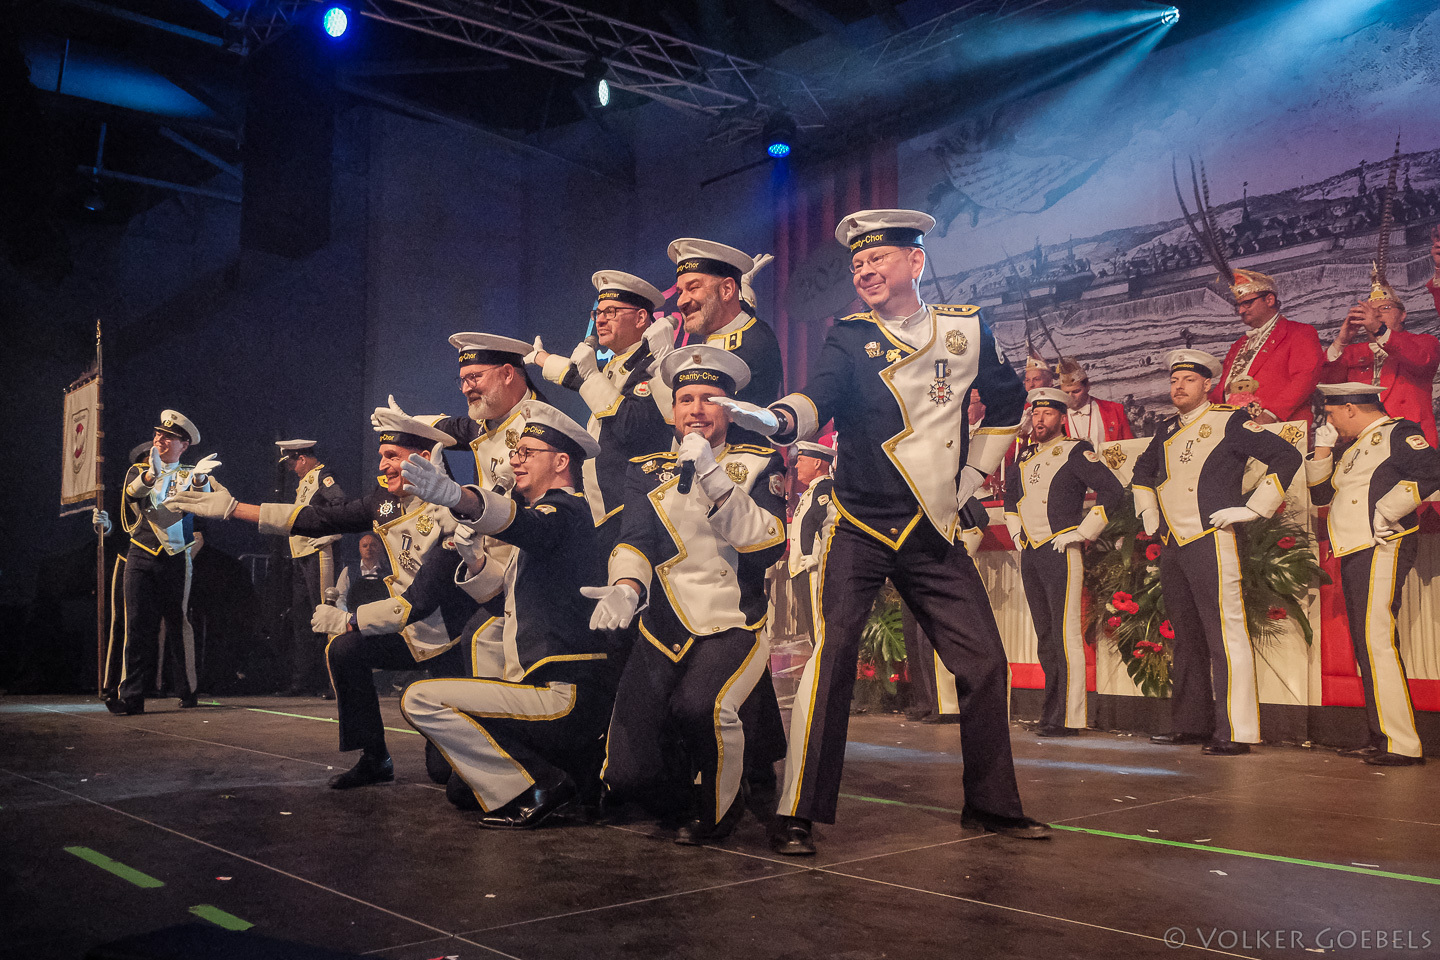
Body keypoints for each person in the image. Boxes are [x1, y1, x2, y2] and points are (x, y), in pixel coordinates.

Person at [717, 208, 1047, 854]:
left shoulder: (966, 328)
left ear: (915, 262)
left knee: (985, 663)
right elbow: (817, 398)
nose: (864, 270)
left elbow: (1008, 404)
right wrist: (777, 420)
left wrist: (973, 474)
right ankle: (797, 812)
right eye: (858, 263)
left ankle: (991, 805)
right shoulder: (849, 337)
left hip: (932, 527)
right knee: (832, 659)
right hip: (861, 526)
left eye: (878, 258)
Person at [169, 417, 478, 788]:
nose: (382, 466)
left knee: (444, 775)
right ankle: (374, 757)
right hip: (410, 633)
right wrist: (234, 507)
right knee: (345, 650)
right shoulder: (384, 500)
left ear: (424, 458)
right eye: (381, 456)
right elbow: (320, 518)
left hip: (451, 643)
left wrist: (350, 619)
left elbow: (422, 600)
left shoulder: (454, 511)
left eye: (392, 456)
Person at [588, 346, 787, 845]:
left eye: (709, 399)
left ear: (730, 410)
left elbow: (767, 545)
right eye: (685, 400)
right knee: (628, 776)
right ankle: (694, 781)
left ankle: (720, 808)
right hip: (664, 623)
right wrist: (626, 587)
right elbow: (635, 538)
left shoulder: (759, 462)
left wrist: (714, 478)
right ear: (673, 409)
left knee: (701, 708)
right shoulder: (646, 468)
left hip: (730, 620)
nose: (696, 409)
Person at [398, 402, 621, 827]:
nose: (515, 459)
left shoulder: (565, 511)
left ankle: (543, 785)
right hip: (543, 686)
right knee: (461, 789)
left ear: (561, 462)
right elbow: (505, 599)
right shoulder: (551, 518)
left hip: (564, 692)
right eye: (515, 451)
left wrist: (459, 497)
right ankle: (557, 778)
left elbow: (529, 527)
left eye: (527, 452)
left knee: (419, 699)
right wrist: (475, 560)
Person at [1132, 350, 1302, 755]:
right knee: (1186, 636)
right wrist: (1148, 510)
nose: (1179, 387)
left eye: (1189, 380)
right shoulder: (1166, 428)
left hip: (1212, 537)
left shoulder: (1230, 420)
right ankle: (1191, 724)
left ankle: (1236, 730)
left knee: (1226, 634)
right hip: (1174, 542)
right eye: (1174, 380)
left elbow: (1287, 456)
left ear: (1208, 385)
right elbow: (1141, 472)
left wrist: (1254, 508)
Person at [372, 332, 541, 679]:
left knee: (481, 644)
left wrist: (458, 501)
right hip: (486, 559)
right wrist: (411, 424)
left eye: (474, 377)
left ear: (508, 373)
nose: (465, 388)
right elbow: (457, 427)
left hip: (529, 563)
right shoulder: (494, 418)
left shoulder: (540, 426)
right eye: (462, 380)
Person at [1306, 383, 1440, 766]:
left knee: (1377, 641)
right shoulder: (1353, 447)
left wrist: (1389, 508)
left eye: (1332, 414)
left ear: (1351, 408)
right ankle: (1381, 736)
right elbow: (1321, 495)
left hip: (1383, 544)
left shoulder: (1399, 432)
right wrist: (1323, 450)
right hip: (1356, 548)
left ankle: (1401, 743)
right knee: (1367, 644)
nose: (1331, 422)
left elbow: (1433, 470)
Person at [1004, 388, 1123, 736]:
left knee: (1065, 633)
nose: (1040, 419)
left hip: (1062, 550)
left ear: (1061, 417)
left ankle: (1069, 716)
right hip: (1032, 551)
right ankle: (1051, 712)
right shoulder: (1024, 455)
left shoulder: (1075, 451)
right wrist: (1017, 532)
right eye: (1036, 413)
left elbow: (1113, 490)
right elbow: (1012, 499)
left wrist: (1084, 531)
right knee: (1045, 635)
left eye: (1047, 414)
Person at [528, 270, 673, 547]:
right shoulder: (619, 363)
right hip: (606, 510)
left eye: (611, 312)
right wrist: (540, 358)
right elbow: (576, 377)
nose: (600, 320)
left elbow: (632, 427)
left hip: (635, 509)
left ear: (641, 318)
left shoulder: (653, 365)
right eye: (598, 313)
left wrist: (592, 375)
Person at [105, 410, 219, 715]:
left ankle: (187, 689)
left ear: (184, 444)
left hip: (175, 556)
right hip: (141, 552)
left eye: (169, 437)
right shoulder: (139, 469)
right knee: (137, 625)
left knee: (178, 623)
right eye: (158, 434)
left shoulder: (190, 473)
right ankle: (132, 696)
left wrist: (200, 479)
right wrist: (151, 476)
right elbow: (132, 493)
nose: (160, 439)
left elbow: (204, 504)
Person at [667, 238, 783, 422]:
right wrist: (742, 289)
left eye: (693, 288)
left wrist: (661, 359)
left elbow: (692, 417)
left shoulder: (750, 346)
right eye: (680, 292)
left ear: (727, 290)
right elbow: (740, 307)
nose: (681, 302)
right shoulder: (737, 326)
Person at [1320, 271, 1439, 447]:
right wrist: (1341, 341)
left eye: (1385, 308)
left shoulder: (1423, 341)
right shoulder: (1352, 352)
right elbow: (1327, 383)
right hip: (1361, 439)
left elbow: (1421, 361)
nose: (1376, 314)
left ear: (1403, 314)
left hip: (1409, 437)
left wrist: (1379, 330)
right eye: (1371, 311)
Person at [274, 439, 347, 697]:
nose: (292, 469)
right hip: (301, 554)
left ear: (302, 459)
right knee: (303, 619)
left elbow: (340, 503)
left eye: (292, 463)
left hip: (319, 553)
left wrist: (333, 532)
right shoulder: (305, 481)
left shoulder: (323, 475)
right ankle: (303, 680)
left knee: (326, 614)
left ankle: (334, 681)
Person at [1209, 270, 1324, 424]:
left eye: (1247, 303)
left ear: (1269, 300)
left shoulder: (1299, 332)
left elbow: (1305, 378)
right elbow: (1222, 390)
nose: (1241, 311)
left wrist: (1271, 414)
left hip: (1277, 426)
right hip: (1232, 426)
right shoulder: (1239, 344)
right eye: (1238, 306)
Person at [786, 440, 836, 643]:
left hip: (814, 569)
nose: (796, 466)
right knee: (813, 626)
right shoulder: (811, 492)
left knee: (819, 627)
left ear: (817, 463)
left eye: (801, 460)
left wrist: (818, 556)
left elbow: (830, 524)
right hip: (803, 569)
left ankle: (821, 663)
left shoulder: (825, 490)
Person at [1056, 358, 1134, 445]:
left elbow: (1129, 445)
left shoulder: (1114, 409)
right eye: (1066, 393)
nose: (1070, 396)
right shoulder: (1056, 417)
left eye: (1076, 391)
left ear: (1087, 386)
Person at [336, 533, 391, 613]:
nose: (369, 548)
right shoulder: (348, 571)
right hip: (354, 616)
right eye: (365, 546)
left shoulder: (388, 572)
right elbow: (340, 597)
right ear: (359, 549)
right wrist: (347, 616)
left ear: (379, 548)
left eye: (373, 545)